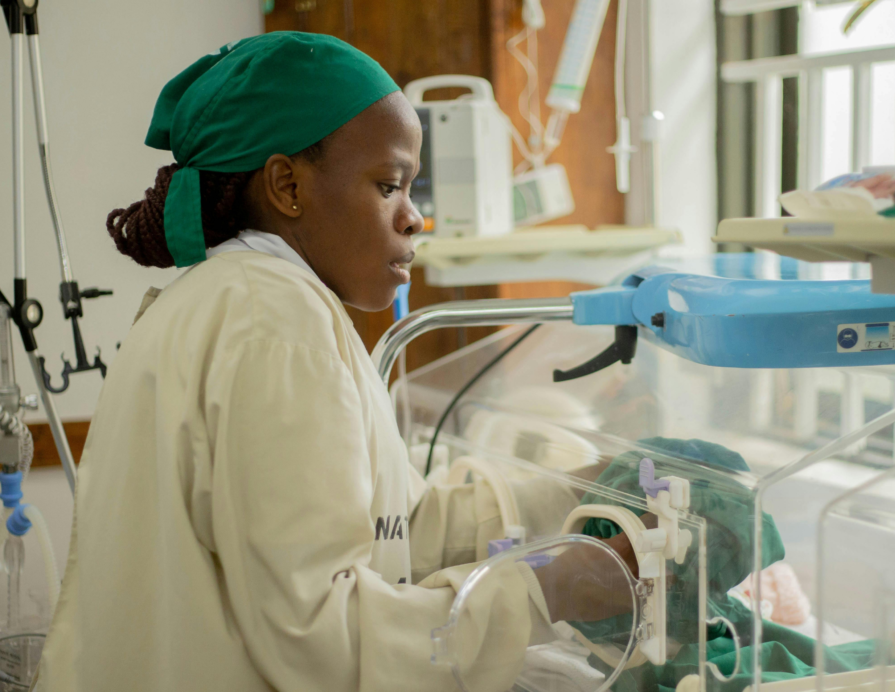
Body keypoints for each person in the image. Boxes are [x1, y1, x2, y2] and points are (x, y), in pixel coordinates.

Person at [36, 32, 634, 691]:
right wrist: (548, 592)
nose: (415, 219)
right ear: (287, 185)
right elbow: (320, 635)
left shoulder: (235, 299)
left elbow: (403, 523)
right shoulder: (275, 321)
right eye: (388, 185)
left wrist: (581, 490)